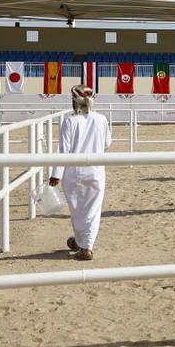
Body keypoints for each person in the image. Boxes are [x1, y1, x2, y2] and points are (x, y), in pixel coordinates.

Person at [48, 85, 112, 261]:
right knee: (92, 210)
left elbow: (63, 149)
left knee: (77, 210)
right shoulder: (102, 119)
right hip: (96, 171)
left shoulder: (70, 121)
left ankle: (85, 246)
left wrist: (56, 174)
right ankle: (83, 242)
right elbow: (107, 143)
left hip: (73, 172)